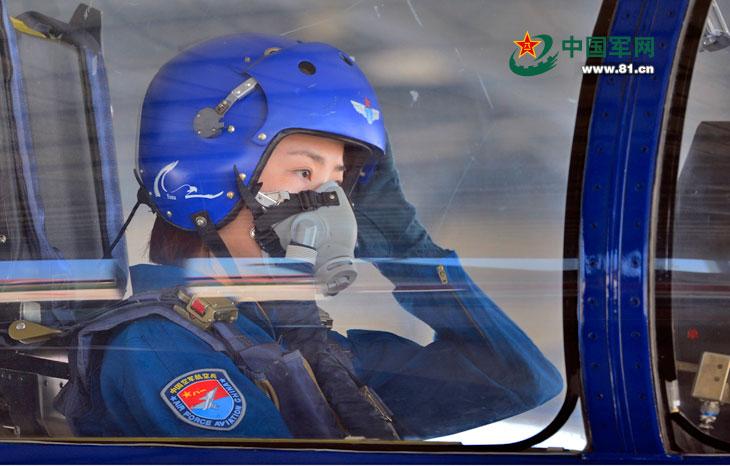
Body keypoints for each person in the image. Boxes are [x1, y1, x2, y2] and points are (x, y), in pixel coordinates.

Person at [57, 33, 563, 439]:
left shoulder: (300, 344)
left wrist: (406, 247)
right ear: (207, 180)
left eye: (340, 181)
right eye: (305, 174)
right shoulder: (161, 350)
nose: (332, 204)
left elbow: (516, 379)